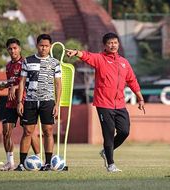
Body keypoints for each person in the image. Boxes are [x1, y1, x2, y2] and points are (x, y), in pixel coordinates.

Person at [66, 32, 145, 172]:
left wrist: (140, 98)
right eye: (109, 43)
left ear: (118, 44)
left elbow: (132, 81)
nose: (112, 45)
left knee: (124, 131)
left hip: (120, 104)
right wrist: (76, 52)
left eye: (115, 42)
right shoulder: (100, 59)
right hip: (103, 104)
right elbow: (87, 55)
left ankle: (106, 151)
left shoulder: (124, 62)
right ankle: (111, 164)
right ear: (105, 45)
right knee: (108, 133)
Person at [15, 34, 62, 171]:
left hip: (48, 102)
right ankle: (22, 164)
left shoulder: (55, 63)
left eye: (46, 46)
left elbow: (58, 85)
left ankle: (47, 163)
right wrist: (20, 102)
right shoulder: (27, 61)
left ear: (50, 46)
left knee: (48, 131)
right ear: (37, 45)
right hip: (30, 101)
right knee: (27, 131)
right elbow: (22, 82)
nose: (44, 48)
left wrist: (57, 105)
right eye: (41, 45)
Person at [0, 38, 41, 171]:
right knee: (5, 131)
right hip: (10, 103)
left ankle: (40, 159)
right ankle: (10, 162)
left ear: (20, 49)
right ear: (7, 50)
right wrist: (6, 85)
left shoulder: (26, 63)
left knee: (30, 132)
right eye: (10, 49)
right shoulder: (8, 65)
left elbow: (29, 81)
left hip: (25, 101)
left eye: (15, 48)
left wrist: (15, 87)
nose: (13, 51)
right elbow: (12, 82)